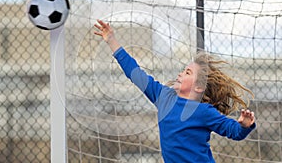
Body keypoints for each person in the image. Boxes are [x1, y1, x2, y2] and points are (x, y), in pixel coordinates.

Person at [94, 19, 256, 163]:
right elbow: (135, 73)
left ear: (198, 87)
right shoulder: (163, 96)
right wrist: (112, 41)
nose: (180, 73)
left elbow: (233, 131)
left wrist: (244, 125)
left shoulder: (203, 111)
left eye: (187, 73)